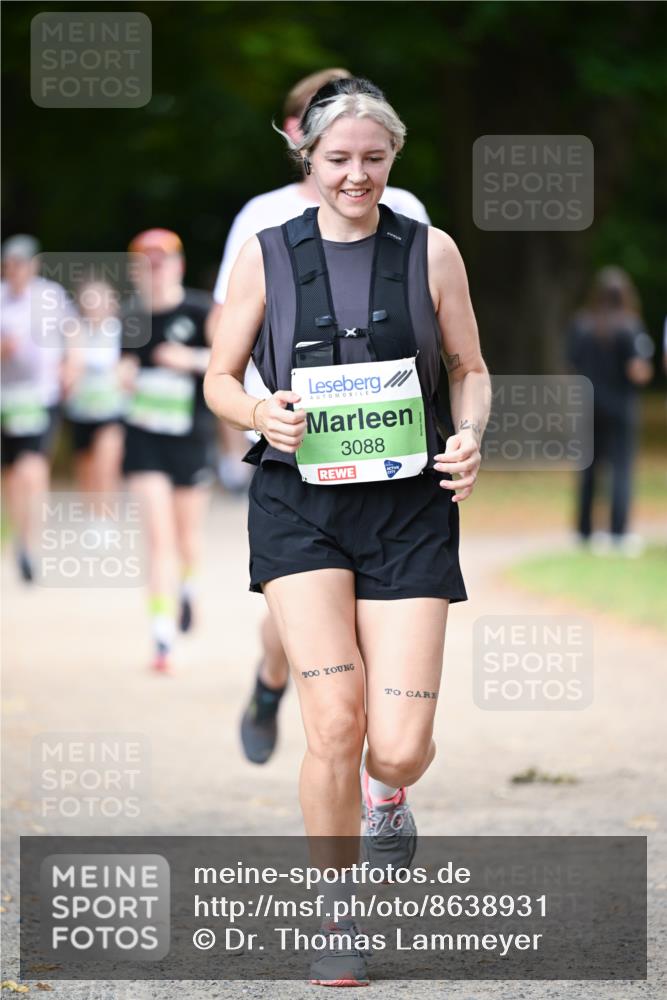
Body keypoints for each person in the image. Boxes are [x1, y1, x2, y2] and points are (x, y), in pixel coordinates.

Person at [205, 77, 490, 986]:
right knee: (332, 719)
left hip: (408, 509)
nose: (355, 176)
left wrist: (471, 434)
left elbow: (469, 367)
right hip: (299, 507)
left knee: (395, 740)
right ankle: (337, 915)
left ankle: (389, 793)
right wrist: (257, 411)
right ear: (307, 160)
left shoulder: (431, 250)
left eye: (373, 159)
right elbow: (217, 375)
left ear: (392, 159)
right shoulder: (265, 253)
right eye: (338, 160)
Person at [207, 67, 433, 766]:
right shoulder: (262, 221)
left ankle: (383, 763)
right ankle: (273, 681)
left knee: (379, 658)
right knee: (297, 627)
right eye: (330, 140)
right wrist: (249, 424)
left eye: (369, 149)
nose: (353, 164)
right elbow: (227, 345)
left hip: (392, 474)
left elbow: (426, 331)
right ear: (298, 138)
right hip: (294, 461)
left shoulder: (412, 218)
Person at [121, 229, 216, 673]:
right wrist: (122, 375)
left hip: (191, 436)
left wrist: (190, 360)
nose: (155, 272)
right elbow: (123, 363)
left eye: (162, 263)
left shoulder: (201, 310)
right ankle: (162, 640)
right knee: (158, 540)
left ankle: (188, 590)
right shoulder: (130, 317)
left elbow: (229, 364)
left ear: (177, 265)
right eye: (146, 265)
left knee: (185, 539)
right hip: (144, 437)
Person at [1, 234, 77, 581]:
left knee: (32, 467)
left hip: (40, 396)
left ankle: (33, 542)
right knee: (11, 475)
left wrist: (70, 366)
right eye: (10, 264)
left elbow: (73, 331)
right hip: (7, 399)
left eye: (22, 263)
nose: (16, 270)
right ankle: (20, 538)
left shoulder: (49, 295)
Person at [567, 266, 653, 556]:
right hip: (620, 407)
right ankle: (617, 534)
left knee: (589, 470)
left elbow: (573, 363)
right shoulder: (630, 326)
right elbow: (638, 370)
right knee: (621, 469)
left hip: (588, 405)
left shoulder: (582, 324)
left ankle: (584, 532)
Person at [64, 278, 125, 495]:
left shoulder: (121, 330)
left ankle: (106, 521)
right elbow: (70, 367)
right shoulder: (75, 330)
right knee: (86, 471)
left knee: (106, 466)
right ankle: (92, 517)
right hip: (81, 410)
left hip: (112, 410)